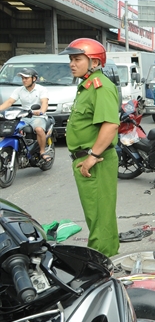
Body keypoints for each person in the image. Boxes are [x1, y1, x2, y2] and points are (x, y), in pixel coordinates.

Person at [60, 38, 120, 257]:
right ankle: (106, 258)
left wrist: (92, 157)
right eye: (71, 59)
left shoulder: (100, 86)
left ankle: (101, 264)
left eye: (77, 59)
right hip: (86, 159)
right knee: (96, 215)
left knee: (99, 216)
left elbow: (111, 124)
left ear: (94, 62)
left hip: (96, 160)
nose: (71, 64)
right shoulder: (86, 86)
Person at [0, 68, 51, 162]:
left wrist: (41, 111)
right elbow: (9, 102)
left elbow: (44, 103)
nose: (24, 80)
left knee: (39, 129)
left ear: (34, 79)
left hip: (37, 116)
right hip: (24, 117)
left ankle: (42, 152)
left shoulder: (41, 89)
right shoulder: (19, 90)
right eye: (22, 78)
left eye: (26, 78)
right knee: (9, 130)